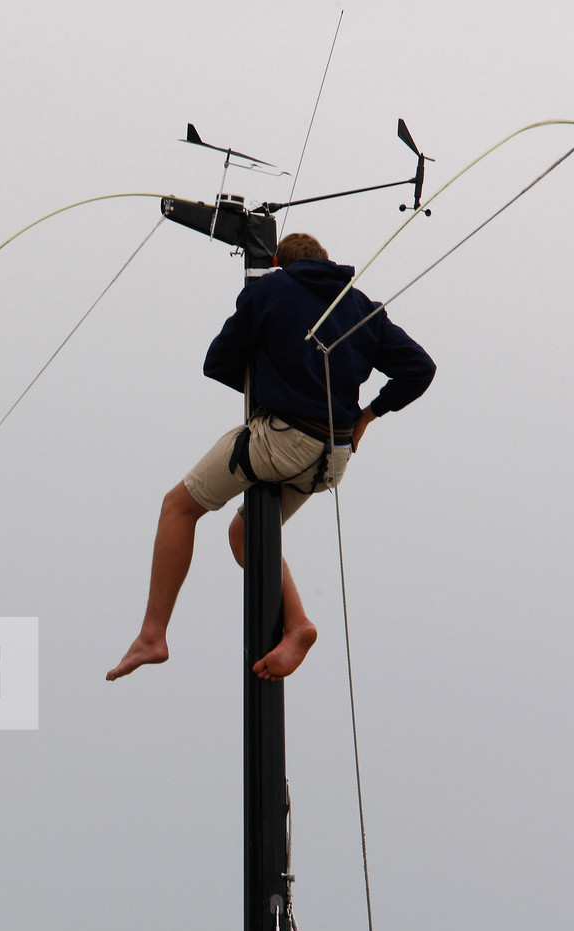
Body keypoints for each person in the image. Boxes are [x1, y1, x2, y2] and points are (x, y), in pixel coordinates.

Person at [108, 232, 435, 682]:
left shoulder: (269, 290)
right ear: (326, 261)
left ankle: (152, 636)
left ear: (279, 262)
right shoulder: (363, 307)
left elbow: (218, 361)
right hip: (333, 458)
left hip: (281, 443)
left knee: (177, 507)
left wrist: (270, 378)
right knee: (245, 535)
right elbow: (420, 368)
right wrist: (369, 415)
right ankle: (298, 625)